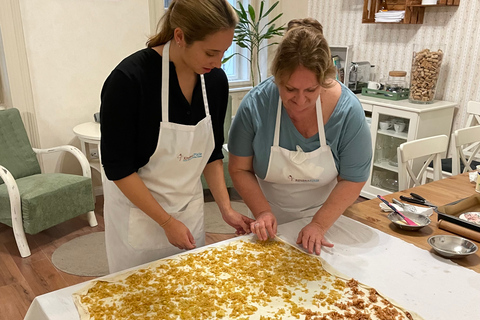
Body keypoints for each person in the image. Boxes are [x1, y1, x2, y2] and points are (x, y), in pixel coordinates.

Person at [100, 0, 254, 273]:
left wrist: (226, 209)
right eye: (210, 52)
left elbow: (212, 154)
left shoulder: (214, 81)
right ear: (180, 36)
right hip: (140, 218)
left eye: (224, 52)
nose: (218, 63)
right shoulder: (129, 80)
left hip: (188, 213)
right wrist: (166, 222)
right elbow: (118, 169)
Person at [228, 18, 372, 256]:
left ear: (324, 81)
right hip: (267, 219)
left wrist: (318, 224)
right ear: (276, 77)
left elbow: (353, 179)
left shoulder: (347, 112)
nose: (300, 100)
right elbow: (239, 169)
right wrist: (262, 212)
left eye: (311, 90)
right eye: (290, 89)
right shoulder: (256, 105)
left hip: (326, 218)